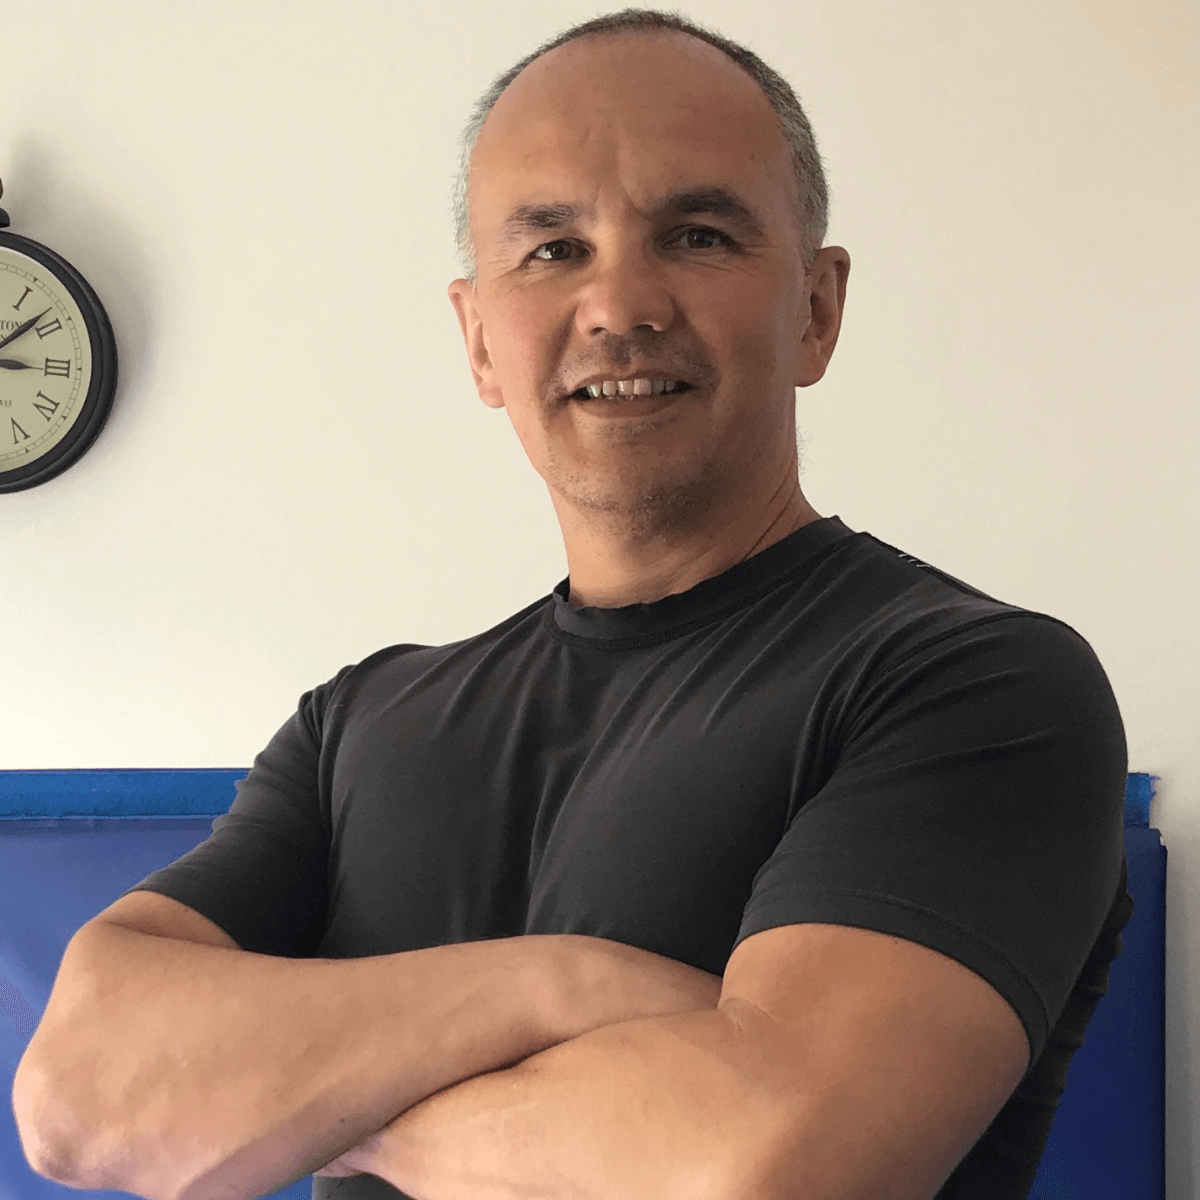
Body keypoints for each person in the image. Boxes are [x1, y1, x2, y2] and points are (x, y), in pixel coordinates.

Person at [13, 9, 1132, 1200]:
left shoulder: (980, 687)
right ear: (480, 341)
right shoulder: (359, 724)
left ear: (815, 308)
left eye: (697, 234)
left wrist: (293, 1104)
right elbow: (81, 1100)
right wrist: (561, 986)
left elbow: (765, 1166)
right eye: (552, 251)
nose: (620, 305)